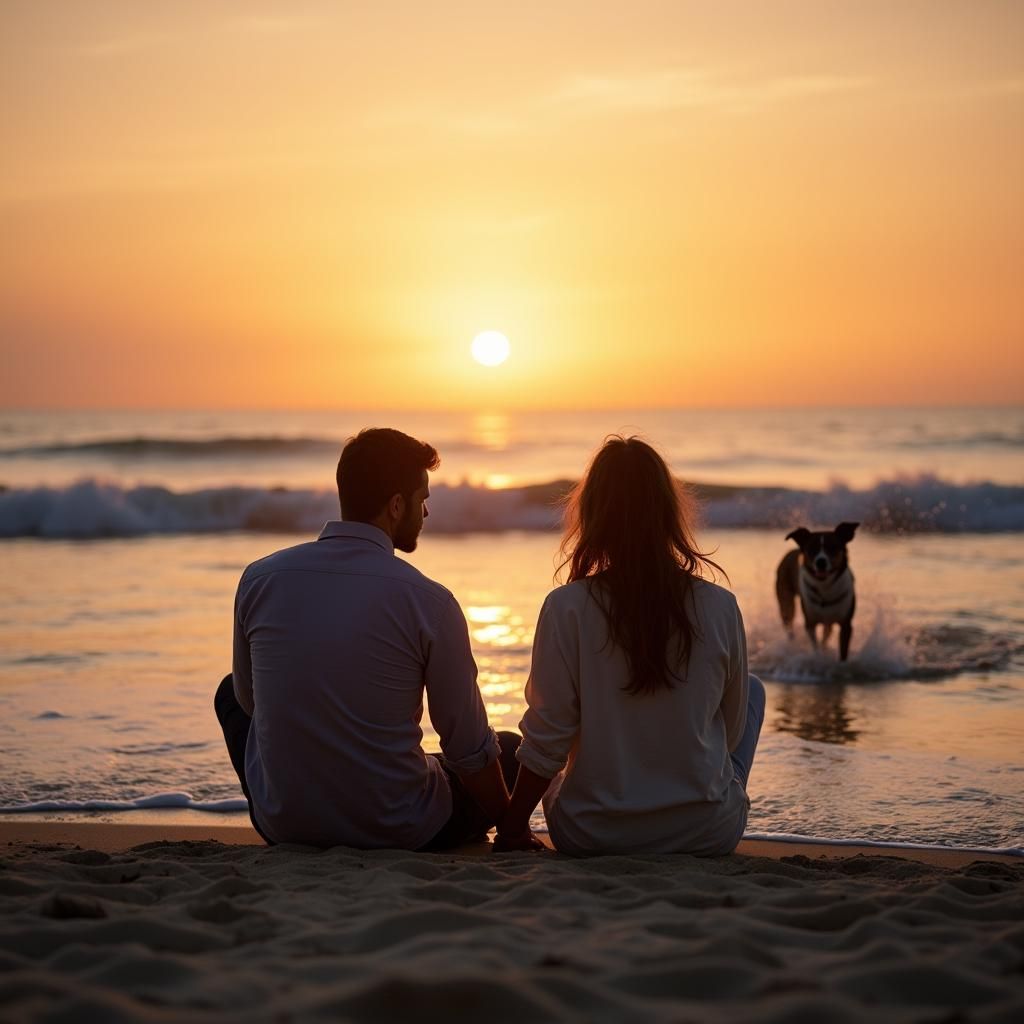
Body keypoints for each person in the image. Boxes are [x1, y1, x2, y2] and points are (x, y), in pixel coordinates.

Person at [215, 427, 519, 849]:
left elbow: (251, 706)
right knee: (508, 748)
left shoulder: (260, 578)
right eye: (422, 500)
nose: (427, 513)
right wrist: (511, 825)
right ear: (396, 506)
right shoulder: (430, 601)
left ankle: (298, 796)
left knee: (229, 692)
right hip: (399, 827)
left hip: (285, 825)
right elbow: (467, 748)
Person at [494, 436, 765, 856]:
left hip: (592, 833)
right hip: (707, 833)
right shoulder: (721, 605)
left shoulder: (566, 607)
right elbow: (727, 735)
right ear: (669, 513)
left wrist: (512, 829)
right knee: (753, 692)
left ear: (593, 514)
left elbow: (549, 740)